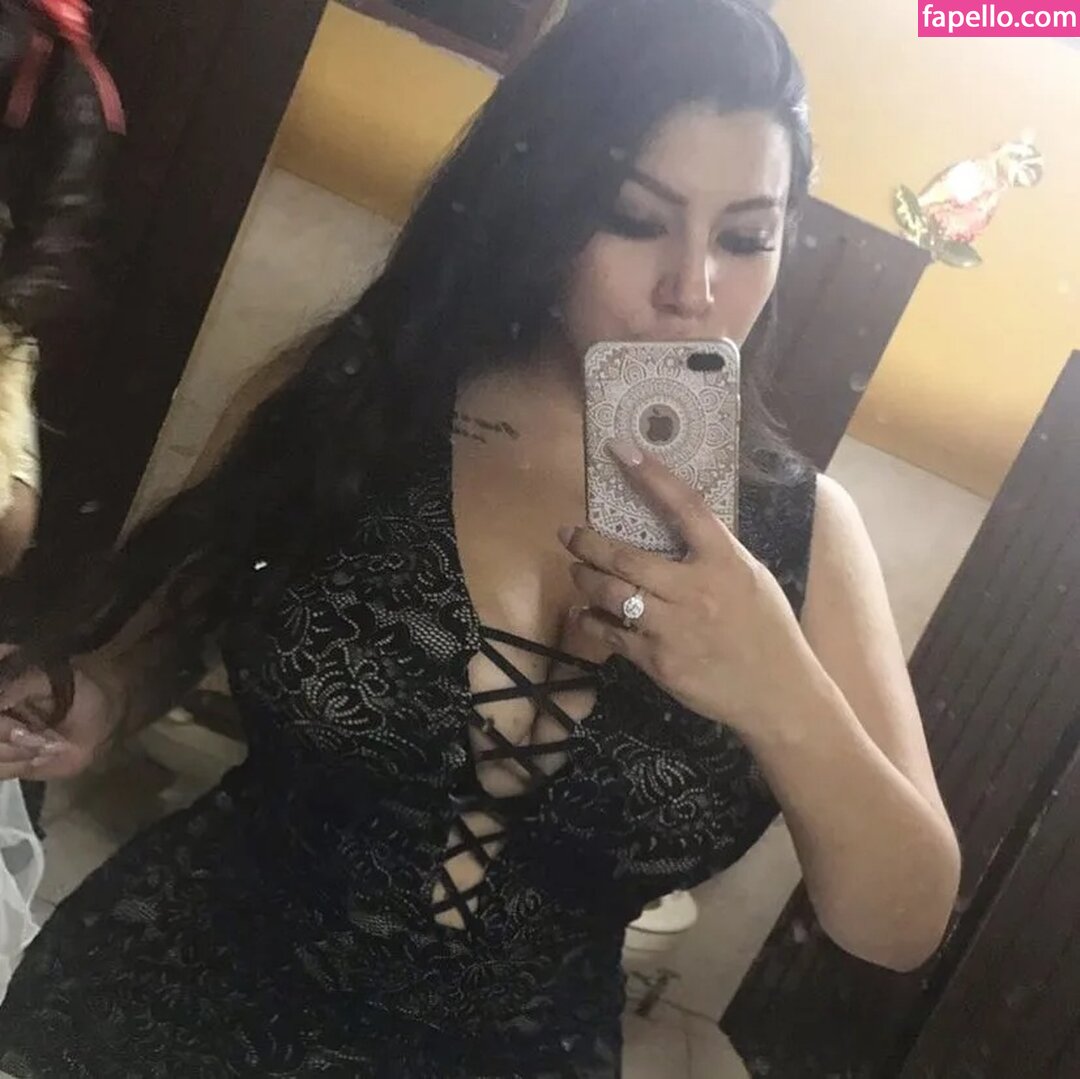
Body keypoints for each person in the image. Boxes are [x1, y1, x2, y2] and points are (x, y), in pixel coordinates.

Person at [0, 0, 960, 1074]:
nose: (693, 288)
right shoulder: (366, 399)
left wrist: (779, 686)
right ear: (541, 201)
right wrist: (96, 699)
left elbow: (900, 921)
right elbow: (175, 624)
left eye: (747, 236)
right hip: (165, 1013)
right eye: (634, 216)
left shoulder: (807, 533)